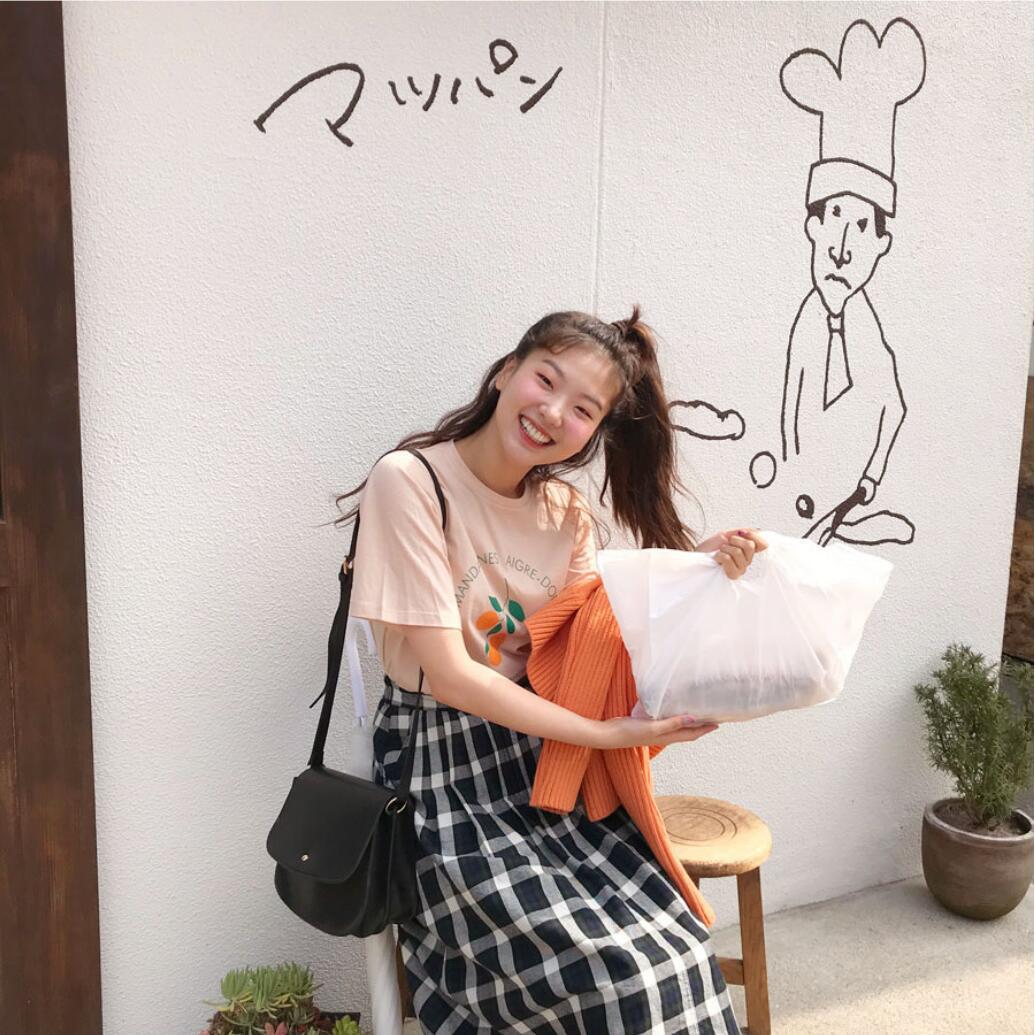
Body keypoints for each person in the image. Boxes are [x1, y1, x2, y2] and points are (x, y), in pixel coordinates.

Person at [336, 306, 765, 1034]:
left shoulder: (566, 511)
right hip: (442, 773)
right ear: (506, 372)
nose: (553, 413)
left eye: (584, 409)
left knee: (679, 954)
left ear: (594, 431)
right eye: (546, 379)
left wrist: (698, 568)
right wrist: (606, 734)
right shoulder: (411, 480)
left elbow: (600, 631)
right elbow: (451, 677)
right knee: (619, 978)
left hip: (547, 765)